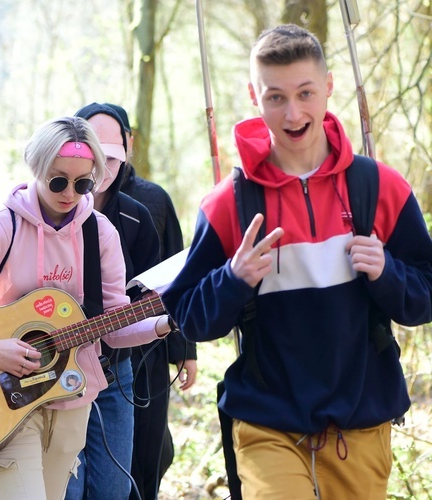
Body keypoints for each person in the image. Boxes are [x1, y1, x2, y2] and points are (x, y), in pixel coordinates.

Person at [162, 24, 432, 499]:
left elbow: (424, 299)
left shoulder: (380, 188)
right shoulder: (229, 203)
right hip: (267, 422)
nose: (293, 113)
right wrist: (232, 278)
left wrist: (388, 274)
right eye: (275, 97)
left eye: (306, 93)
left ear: (328, 87)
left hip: (361, 425)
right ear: (253, 96)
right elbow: (188, 315)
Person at [0, 116, 175, 500]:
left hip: (70, 396)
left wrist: (162, 325)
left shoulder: (100, 233)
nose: (70, 193)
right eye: (58, 180)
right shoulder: (4, 226)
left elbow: (112, 325)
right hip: (1, 392)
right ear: (36, 169)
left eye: (83, 183)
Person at [64, 103, 162, 499]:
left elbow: (156, 289)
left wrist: (174, 337)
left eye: (113, 156)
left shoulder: (138, 216)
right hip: (54, 372)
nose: (103, 166)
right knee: (66, 487)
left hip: (116, 367)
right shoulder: (36, 214)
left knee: (112, 488)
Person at [106, 102, 198, 500]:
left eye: (116, 140)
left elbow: (181, 273)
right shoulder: (71, 196)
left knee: (152, 448)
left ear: (128, 142)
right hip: (91, 343)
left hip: (151, 343)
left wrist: (186, 350)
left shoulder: (152, 200)